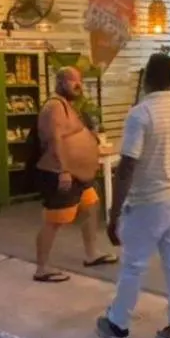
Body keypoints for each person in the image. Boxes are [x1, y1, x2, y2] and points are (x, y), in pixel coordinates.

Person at [98, 53, 170, 338]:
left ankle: (117, 323)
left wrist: (114, 213)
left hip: (150, 202)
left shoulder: (141, 114)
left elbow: (127, 166)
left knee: (134, 265)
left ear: (147, 79)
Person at [34, 66, 115, 282]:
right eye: (72, 80)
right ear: (60, 82)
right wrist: (64, 170)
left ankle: (91, 254)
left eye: (79, 80)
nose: (77, 84)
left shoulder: (69, 106)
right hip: (61, 172)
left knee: (90, 206)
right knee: (55, 219)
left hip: (80, 175)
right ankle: (42, 268)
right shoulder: (54, 106)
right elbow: (55, 140)